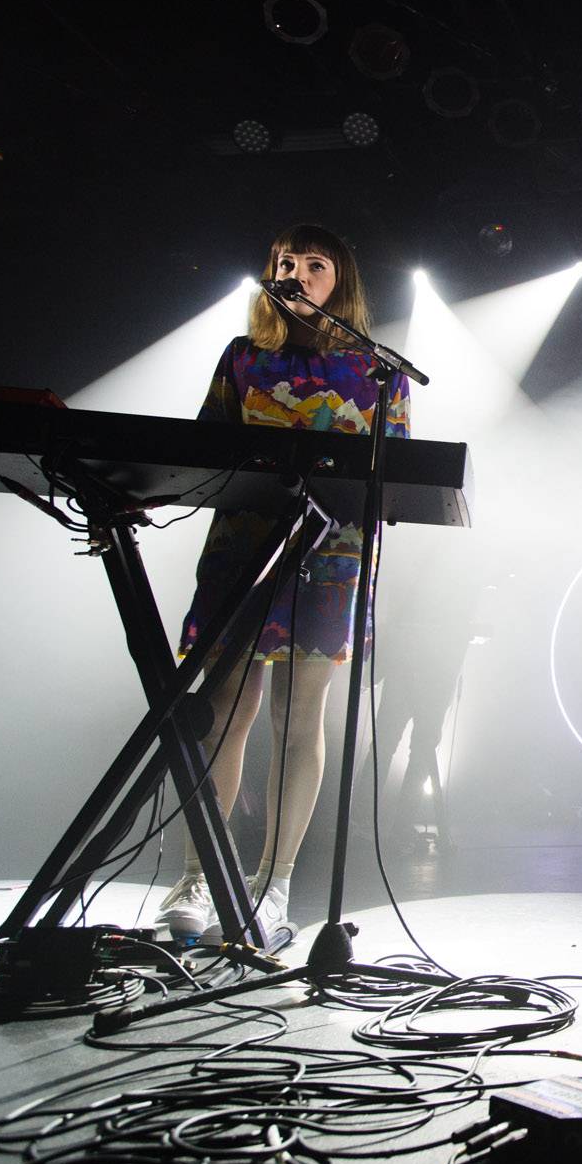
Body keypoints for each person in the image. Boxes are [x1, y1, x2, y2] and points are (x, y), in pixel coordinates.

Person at [156, 223, 410, 946]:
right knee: (223, 713)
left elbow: (393, 473)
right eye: (286, 263)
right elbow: (202, 448)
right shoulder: (244, 358)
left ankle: (275, 882)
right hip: (244, 548)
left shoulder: (373, 369)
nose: (297, 273)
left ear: (342, 282)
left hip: (331, 557)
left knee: (298, 721)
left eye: (315, 264)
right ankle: (199, 877)